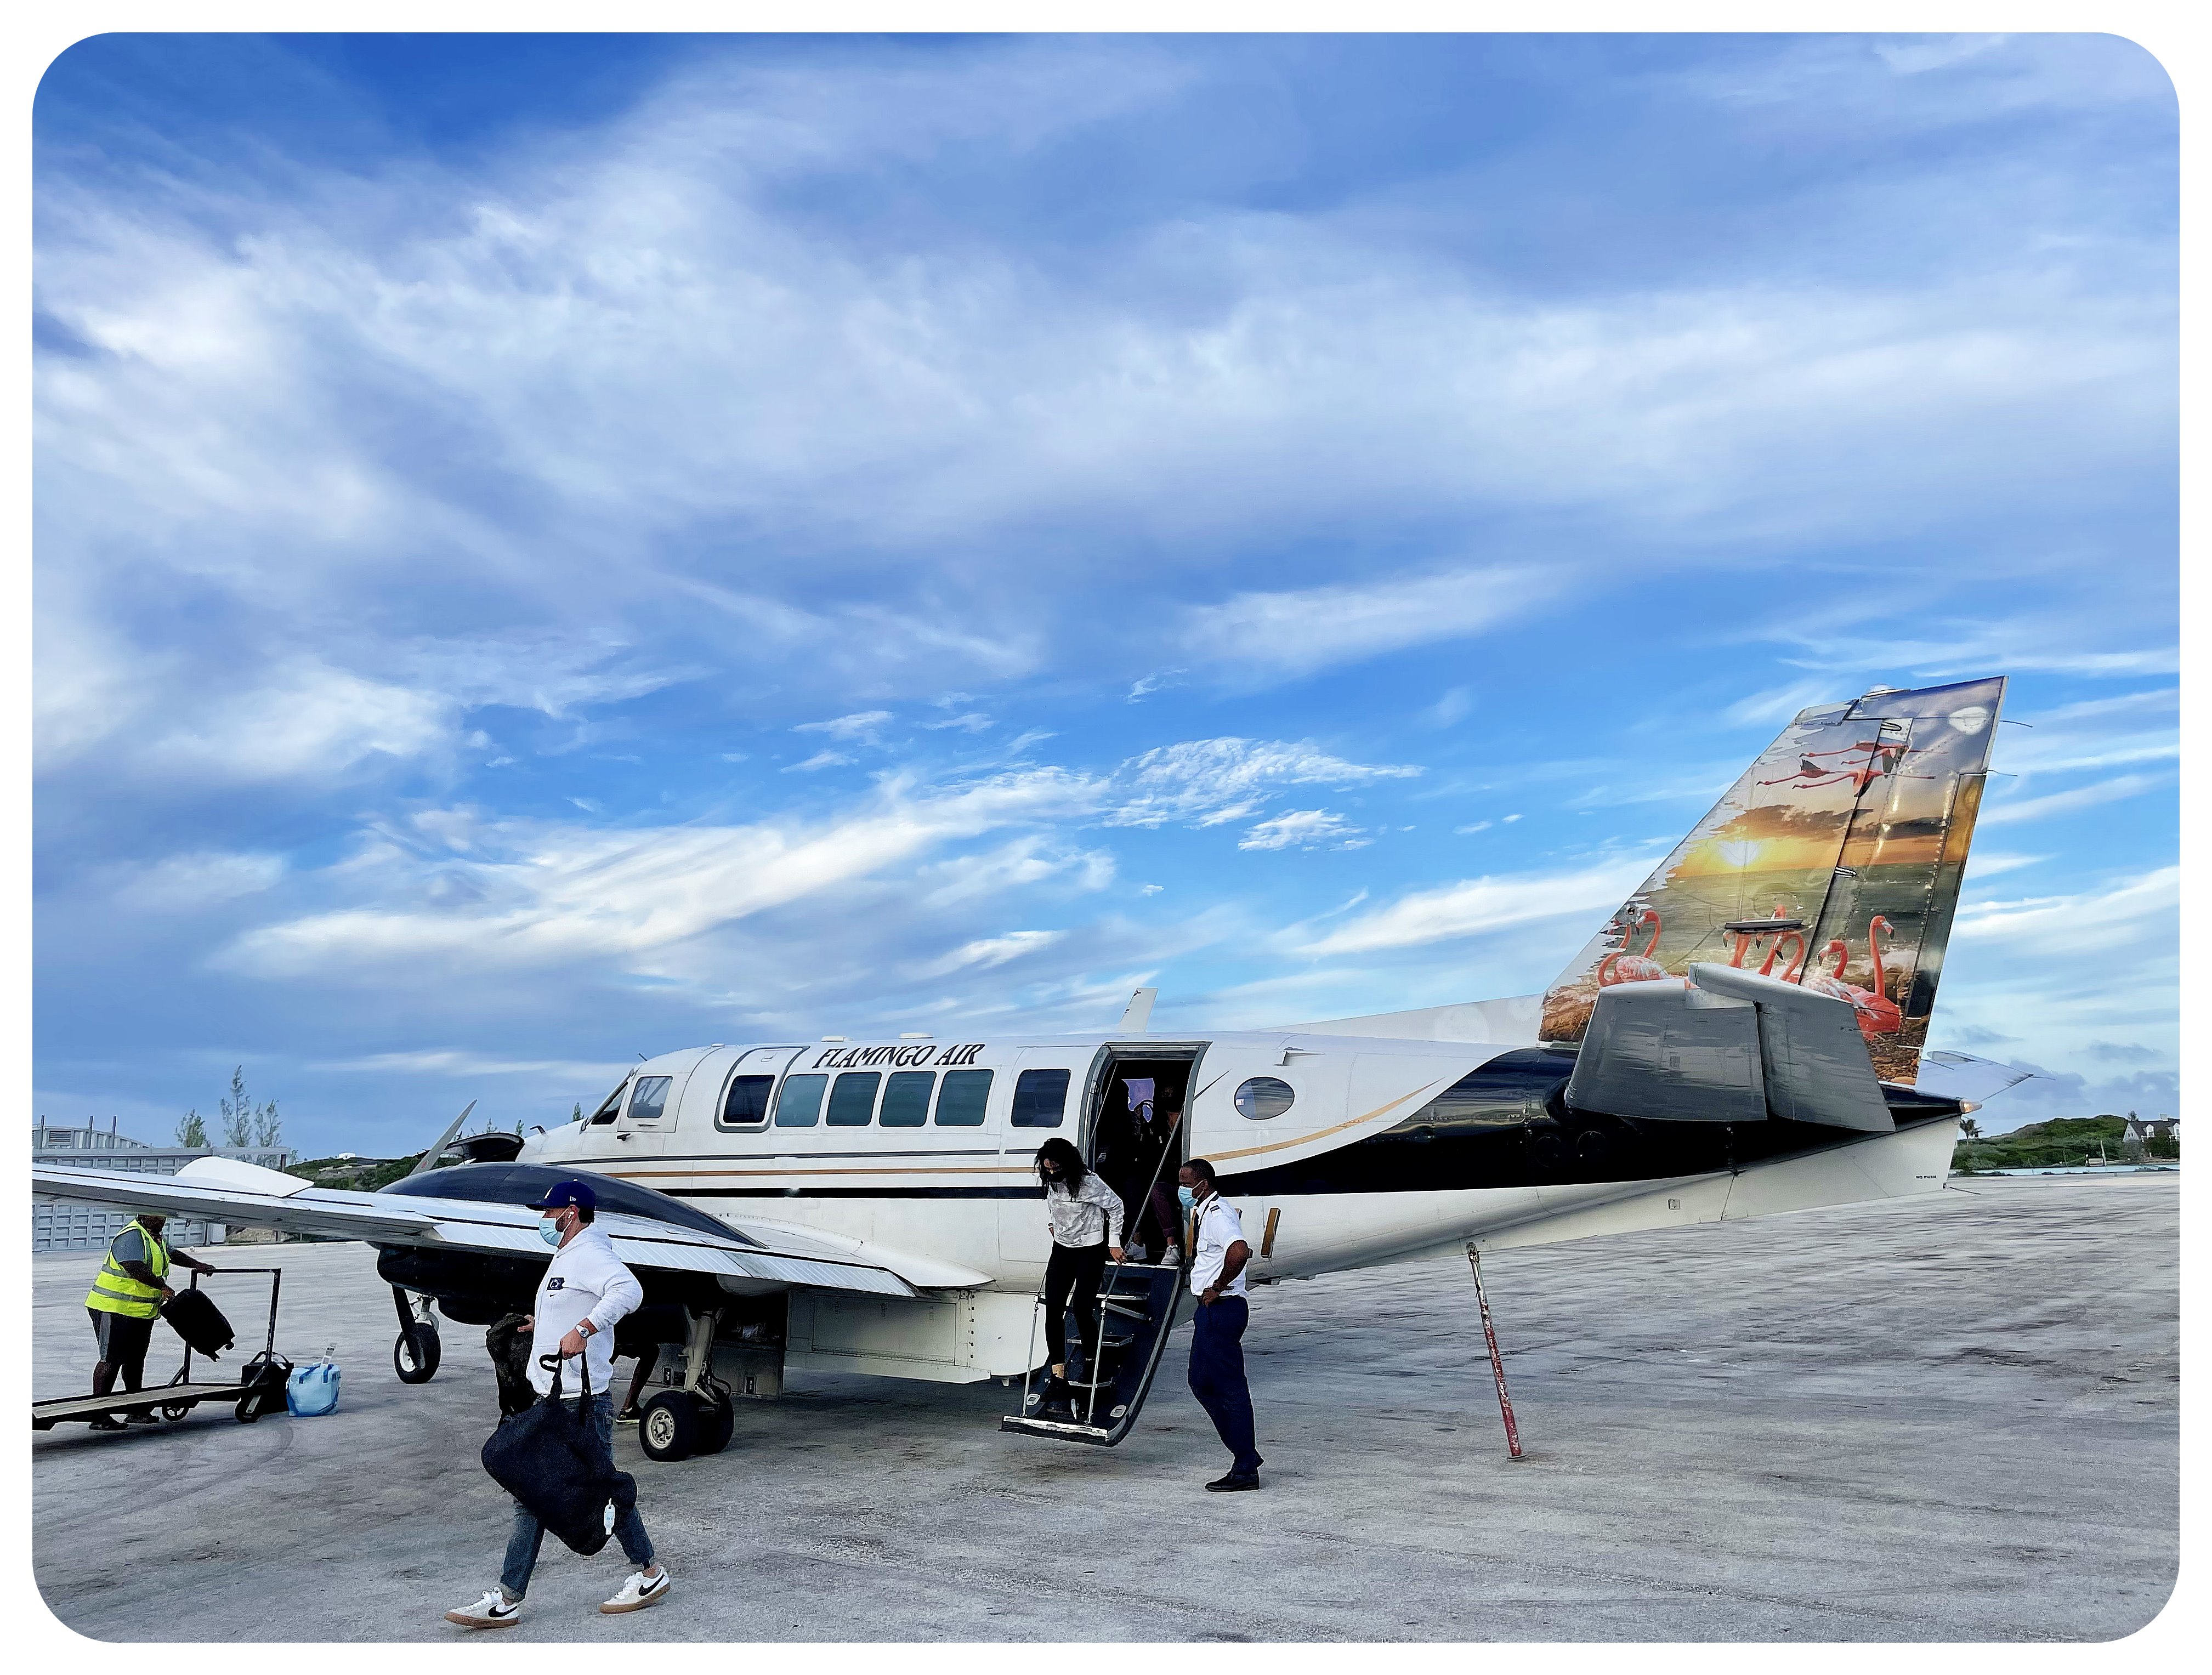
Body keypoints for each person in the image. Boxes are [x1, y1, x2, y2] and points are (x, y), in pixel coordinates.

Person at [446, 1180, 671, 1628]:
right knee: (546, 1491)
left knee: (577, 1490)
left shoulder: (590, 1252)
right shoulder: (567, 1256)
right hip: (556, 1399)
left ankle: (642, 1573)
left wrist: (584, 1329)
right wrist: (542, 1323)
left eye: (548, 1213)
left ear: (571, 1212)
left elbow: (629, 1291)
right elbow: (571, 1302)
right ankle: (644, 1573)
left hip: (581, 1403)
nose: (543, 1220)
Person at [84, 1211, 218, 1430]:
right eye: (157, 1217)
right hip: (112, 1307)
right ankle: (99, 1416)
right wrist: (162, 1287)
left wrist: (198, 1265)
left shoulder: (155, 1237)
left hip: (141, 1311)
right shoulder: (131, 1236)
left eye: (164, 1217)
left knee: (135, 1361)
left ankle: (136, 1410)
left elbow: (173, 1255)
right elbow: (134, 1266)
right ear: (143, 1215)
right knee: (111, 1360)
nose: (162, 1221)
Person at [1179, 1159, 1262, 1490]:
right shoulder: (1204, 1211)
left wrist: (1219, 1286)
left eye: (1186, 1182)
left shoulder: (1218, 1215)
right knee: (1200, 1381)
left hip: (1222, 1308)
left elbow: (1239, 1252)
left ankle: (1245, 1467)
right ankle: (1246, 1454)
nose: (1182, 1189)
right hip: (1211, 1310)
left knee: (1230, 1389)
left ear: (1203, 1183)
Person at [1033, 1136, 1124, 1421]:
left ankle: (1091, 1357)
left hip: (1090, 1248)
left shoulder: (1089, 1183)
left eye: (1055, 1168)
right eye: (1047, 1169)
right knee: (1053, 1310)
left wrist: (1115, 1242)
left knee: (1083, 1308)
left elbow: (1117, 1206)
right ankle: (1058, 1374)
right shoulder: (1052, 1179)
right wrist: (1053, 1226)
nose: (1051, 1173)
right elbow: (1054, 1206)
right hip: (1062, 1248)